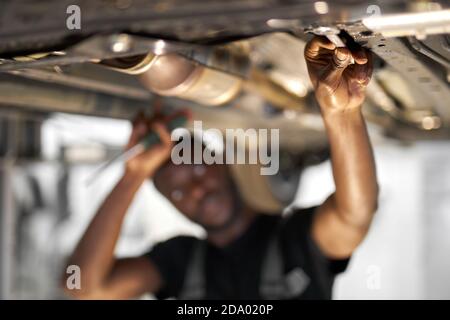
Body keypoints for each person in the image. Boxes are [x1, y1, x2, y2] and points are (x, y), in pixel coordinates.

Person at [61, 36, 378, 299]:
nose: (196, 190)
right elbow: (85, 289)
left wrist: (341, 116)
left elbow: (354, 215)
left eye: (198, 169)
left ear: (224, 163)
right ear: (172, 206)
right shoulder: (177, 261)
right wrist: (133, 176)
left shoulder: (293, 239)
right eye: (179, 190)